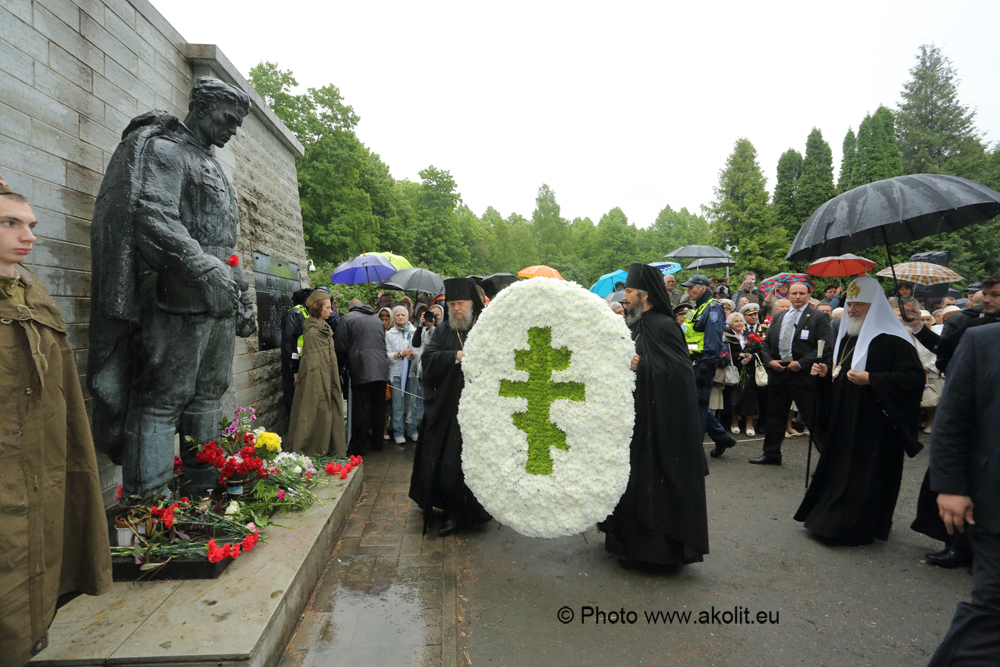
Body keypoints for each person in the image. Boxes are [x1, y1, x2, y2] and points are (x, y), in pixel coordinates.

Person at [87, 77, 257, 496]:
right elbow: (153, 217)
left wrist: (240, 288)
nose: (232, 129)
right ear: (201, 108)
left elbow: (225, 244)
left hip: (217, 296)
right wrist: (202, 266)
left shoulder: (210, 161)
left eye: (238, 123)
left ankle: (203, 493)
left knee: (208, 396)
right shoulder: (166, 152)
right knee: (163, 399)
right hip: (175, 295)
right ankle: (152, 507)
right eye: (228, 119)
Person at [0, 182, 112, 665]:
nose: (28, 236)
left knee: (32, 582)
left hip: (40, 468)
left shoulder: (32, 293)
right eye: (9, 223)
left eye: (31, 226)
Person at [795, 276, 923, 544]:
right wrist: (825, 373)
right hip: (845, 419)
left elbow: (912, 380)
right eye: (850, 303)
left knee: (864, 476)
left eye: (859, 304)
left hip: (874, 425)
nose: (852, 309)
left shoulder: (894, 340)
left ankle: (853, 528)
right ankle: (828, 518)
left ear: (874, 306)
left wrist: (873, 379)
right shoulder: (848, 338)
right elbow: (841, 376)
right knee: (840, 470)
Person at [601, 263, 708, 567]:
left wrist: (643, 366)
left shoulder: (663, 323)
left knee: (653, 487)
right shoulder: (635, 322)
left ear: (645, 295)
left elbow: (680, 372)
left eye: (630, 292)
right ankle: (629, 545)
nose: (626, 297)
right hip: (636, 420)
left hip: (661, 425)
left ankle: (655, 553)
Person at [926, 322, 1000, 666]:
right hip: (992, 501)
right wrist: (951, 486)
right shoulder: (983, 340)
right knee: (991, 610)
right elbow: (952, 417)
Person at [409, 278, 492, 536]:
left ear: (472, 304)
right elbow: (429, 357)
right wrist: (455, 357)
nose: (456, 308)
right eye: (452, 303)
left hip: (481, 408)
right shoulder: (445, 330)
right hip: (448, 406)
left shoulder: (487, 328)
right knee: (449, 461)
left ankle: (472, 511)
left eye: (461, 303)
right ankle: (452, 512)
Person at [752, 282, 833, 465]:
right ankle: (771, 454)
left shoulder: (818, 317)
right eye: (794, 293)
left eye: (801, 293)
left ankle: (829, 463)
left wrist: (801, 363)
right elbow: (765, 344)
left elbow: (826, 346)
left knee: (813, 419)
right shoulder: (780, 317)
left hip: (803, 375)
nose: (797, 296)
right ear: (788, 295)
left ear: (808, 296)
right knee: (774, 416)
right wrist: (770, 361)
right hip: (779, 372)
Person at [681, 274, 737, 458]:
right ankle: (722, 438)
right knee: (697, 405)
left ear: (703, 288)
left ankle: (694, 453)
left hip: (703, 364)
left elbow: (713, 342)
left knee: (698, 407)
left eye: (691, 288)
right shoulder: (697, 308)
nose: (688, 291)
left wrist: (706, 367)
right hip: (692, 363)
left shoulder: (713, 309)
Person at [287, 291, 346, 457]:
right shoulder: (312, 332)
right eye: (327, 307)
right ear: (317, 308)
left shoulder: (325, 329)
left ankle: (332, 446)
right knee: (316, 411)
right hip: (316, 381)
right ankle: (313, 446)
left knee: (330, 410)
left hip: (329, 376)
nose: (331, 311)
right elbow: (311, 363)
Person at [335, 298, 390, 456]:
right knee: (378, 408)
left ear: (351, 307)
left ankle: (359, 447)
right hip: (381, 367)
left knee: (361, 408)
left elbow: (341, 346)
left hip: (362, 367)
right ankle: (377, 444)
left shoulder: (346, 319)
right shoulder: (376, 320)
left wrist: (340, 366)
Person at [280, 287, 340, 415]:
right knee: (295, 402)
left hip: (309, 366)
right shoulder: (295, 314)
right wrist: (294, 370)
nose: (330, 310)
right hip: (297, 366)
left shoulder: (312, 316)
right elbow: (289, 345)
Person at [386, 305, 419, 444]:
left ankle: (412, 430)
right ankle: (399, 432)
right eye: (398, 315)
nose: (400, 317)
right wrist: (400, 354)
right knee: (398, 405)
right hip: (396, 372)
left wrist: (414, 355)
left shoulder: (415, 331)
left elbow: (420, 350)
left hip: (411, 373)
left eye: (403, 315)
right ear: (394, 318)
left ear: (407, 317)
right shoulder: (389, 334)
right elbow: (386, 354)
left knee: (411, 403)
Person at [725, 312, 759, 437]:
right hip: (734, 370)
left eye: (740, 321)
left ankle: (749, 424)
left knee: (750, 397)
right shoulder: (726, 335)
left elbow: (759, 351)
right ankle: (734, 422)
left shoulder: (750, 335)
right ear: (730, 324)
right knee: (734, 397)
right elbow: (723, 352)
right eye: (736, 321)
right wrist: (738, 355)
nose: (739, 323)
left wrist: (751, 356)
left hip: (749, 371)